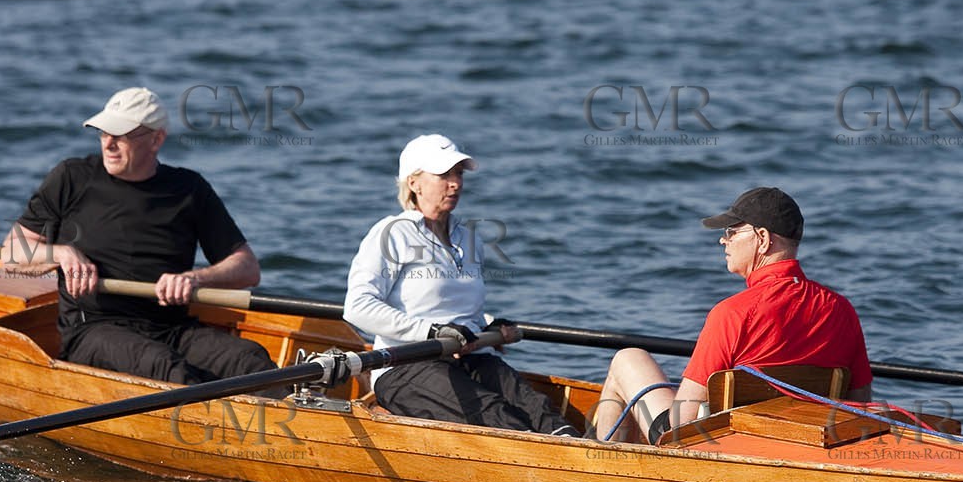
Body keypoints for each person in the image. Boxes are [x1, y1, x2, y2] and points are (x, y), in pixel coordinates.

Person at [1, 86, 276, 384]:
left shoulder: (189, 189)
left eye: (121, 135)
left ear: (156, 139)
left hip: (172, 328)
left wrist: (194, 279)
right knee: (166, 368)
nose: (109, 144)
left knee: (251, 358)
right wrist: (61, 253)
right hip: (94, 329)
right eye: (104, 132)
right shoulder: (71, 178)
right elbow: (12, 254)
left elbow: (248, 268)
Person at [592, 187, 871, 444]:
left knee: (626, 359)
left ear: (762, 239)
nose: (723, 240)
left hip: (724, 446)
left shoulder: (732, 313)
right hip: (799, 444)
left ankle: (598, 464)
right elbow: (860, 401)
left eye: (732, 231)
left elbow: (680, 424)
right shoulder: (842, 309)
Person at [344, 134, 576, 435]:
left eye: (459, 174)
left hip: (470, 356)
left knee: (541, 412)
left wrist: (487, 326)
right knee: (498, 417)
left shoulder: (467, 237)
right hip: (407, 364)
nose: (455, 183)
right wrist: (431, 332)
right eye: (444, 175)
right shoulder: (392, 233)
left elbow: (460, 310)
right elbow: (358, 308)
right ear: (414, 183)